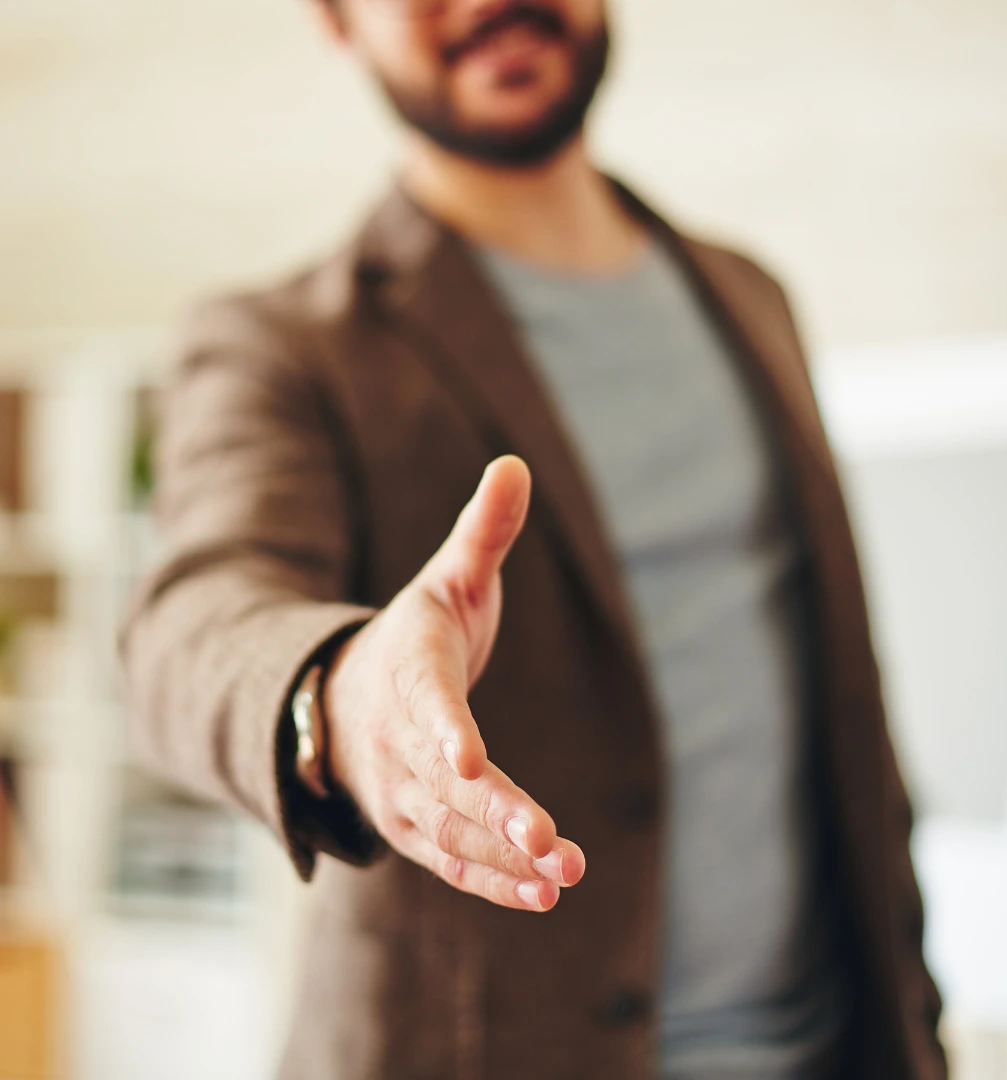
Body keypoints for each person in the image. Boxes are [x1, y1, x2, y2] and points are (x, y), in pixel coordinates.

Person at [120, 1, 947, 1077]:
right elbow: (193, 623)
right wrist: (343, 695)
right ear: (337, 21)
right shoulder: (285, 346)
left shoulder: (750, 297)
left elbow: (844, 724)